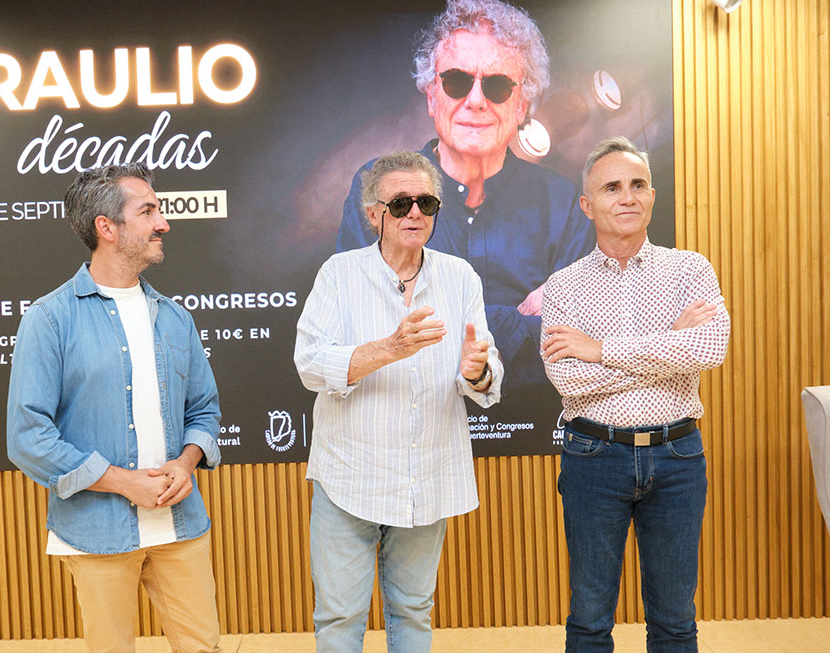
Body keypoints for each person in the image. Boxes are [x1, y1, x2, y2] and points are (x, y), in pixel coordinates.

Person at [7, 163, 223, 653]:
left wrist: (187, 462)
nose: (163, 223)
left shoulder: (176, 318)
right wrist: (124, 482)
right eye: (147, 212)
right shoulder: (49, 319)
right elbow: (28, 438)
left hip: (180, 526)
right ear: (106, 227)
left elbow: (205, 411)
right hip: (95, 532)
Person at [296, 151, 503, 652]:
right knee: (340, 617)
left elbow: (484, 370)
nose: (415, 213)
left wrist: (477, 371)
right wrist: (391, 348)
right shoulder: (339, 274)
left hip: (426, 477)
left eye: (426, 203)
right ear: (375, 214)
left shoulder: (460, 277)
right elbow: (310, 365)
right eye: (401, 203)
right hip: (350, 477)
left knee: (413, 610)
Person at [337, 0, 594, 386]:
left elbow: (580, 335)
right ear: (431, 96)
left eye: (497, 85)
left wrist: (425, 319)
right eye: (456, 81)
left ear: (522, 105)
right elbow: (363, 321)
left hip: (530, 417)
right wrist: (516, 323)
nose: (475, 100)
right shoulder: (376, 187)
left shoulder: (562, 203)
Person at [541, 136, 729, 652]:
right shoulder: (562, 286)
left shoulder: (691, 269)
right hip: (593, 456)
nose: (627, 196)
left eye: (638, 184)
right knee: (589, 618)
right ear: (587, 205)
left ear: (652, 195)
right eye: (612, 187)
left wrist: (599, 349)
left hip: (677, 456)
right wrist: (671, 344)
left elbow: (710, 347)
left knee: (675, 619)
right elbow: (568, 380)